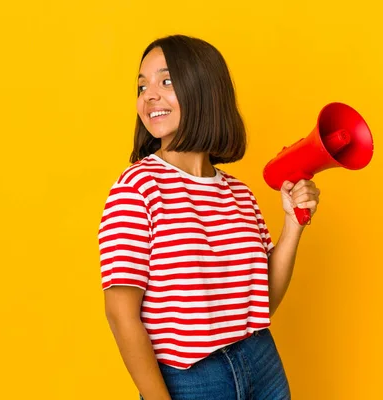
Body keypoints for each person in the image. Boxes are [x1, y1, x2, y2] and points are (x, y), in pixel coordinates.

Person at [98, 35, 320, 400]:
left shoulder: (239, 193)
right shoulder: (136, 188)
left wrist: (293, 226)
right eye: (142, 85)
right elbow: (121, 315)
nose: (148, 95)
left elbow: (262, 302)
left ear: (203, 89)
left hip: (262, 362)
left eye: (165, 81)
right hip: (190, 381)